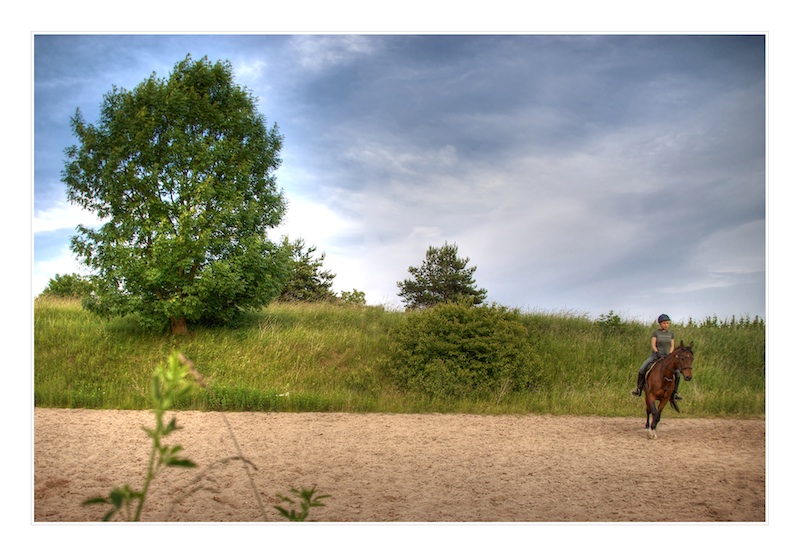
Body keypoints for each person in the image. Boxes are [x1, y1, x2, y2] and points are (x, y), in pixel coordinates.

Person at [631, 313, 682, 399]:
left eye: (667, 323)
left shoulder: (671, 334)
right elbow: (653, 344)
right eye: (664, 323)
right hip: (656, 356)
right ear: (660, 324)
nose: (666, 325)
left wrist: (670, 354)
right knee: (642, 368)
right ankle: (639, 388)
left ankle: (675, 393)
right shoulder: (656, 333)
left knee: (677, 373)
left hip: (667, 357)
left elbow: (672, 346)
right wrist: (657, 352)